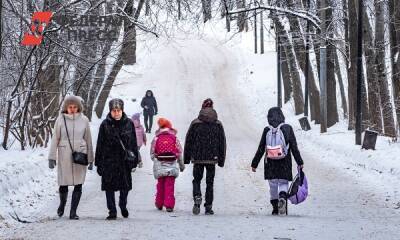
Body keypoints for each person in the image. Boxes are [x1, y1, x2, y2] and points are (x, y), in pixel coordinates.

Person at [48, 95, 94, 220]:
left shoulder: (84, 120)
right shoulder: (60, 120)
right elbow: (55, 138)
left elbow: (88, 139)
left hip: (80, 154)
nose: (72, 109)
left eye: (75, 107)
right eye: (70, 107)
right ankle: (62, 204)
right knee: (63, 183)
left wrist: (90, 159)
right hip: (64, 155)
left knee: (78, 184)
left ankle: (73, 212)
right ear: (66, 108)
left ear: (78, 107)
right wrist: (51, 157)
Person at [251, 107, 304, 215]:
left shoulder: (267, 130)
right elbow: (294, 147)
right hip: (285, 161)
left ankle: (275, 207)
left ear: (269, 118)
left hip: (271, 163)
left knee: (273, 185)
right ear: (281, 116)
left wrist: (254, 164)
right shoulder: (287, 128)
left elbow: (261, 148)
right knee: (283, 182)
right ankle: (283, 197)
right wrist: (299, 162)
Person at [95, 98, 138, 220]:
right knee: (109, 188)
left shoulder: (129, 123)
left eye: (118, 110)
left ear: (122, 110)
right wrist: (98, 162)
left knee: (125, 187)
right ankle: (112, 211)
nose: (116, 113)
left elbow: (133, 142)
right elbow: (100, 144)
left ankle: (122, 205)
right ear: (110, 111)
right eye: (114, 110)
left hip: (124, 161)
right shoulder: (105, 124)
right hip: (109, 160)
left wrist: (134, 159)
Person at [184, 98, 226, 215]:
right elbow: (222, 143)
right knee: (210, 183)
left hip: (197, 157)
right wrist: (221, 160)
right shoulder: (217, 124)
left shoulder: (195, 123)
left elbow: (189, 141)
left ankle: (197, 196)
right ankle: (208, 206)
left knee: (197, 180)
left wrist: (187, 158)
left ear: (202, 108)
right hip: (212, 158)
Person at [150, 118, 185, 212]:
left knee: (160, 185)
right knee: (170, 186)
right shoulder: (174, 138)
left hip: (160, 165)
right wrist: (181, 165)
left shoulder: (156, 138)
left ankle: (159, 204)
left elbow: (152, 154)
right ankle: (169, 205)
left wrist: (157, 159)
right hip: (172, 165)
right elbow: (179, 152)